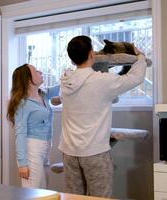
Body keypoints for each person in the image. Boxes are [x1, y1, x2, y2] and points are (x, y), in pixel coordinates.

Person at [58, 35, 147, 197]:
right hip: (94, 152)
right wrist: (140, 57)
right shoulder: (102, 81)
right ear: (92, 54)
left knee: (73, 197)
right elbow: (135, 78)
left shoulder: (65, 80)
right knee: (100, 197)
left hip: (69, 152)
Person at [7, 63, 60, 189]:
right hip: (32, 148)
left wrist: (68, 77)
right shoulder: (23, 103)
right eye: (36, 71)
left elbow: (59, 88)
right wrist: (22, 164)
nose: (40, 72)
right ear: (28, 80)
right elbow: (20, 134)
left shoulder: (42, 95)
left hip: (45, 147)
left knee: (43, 190)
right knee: (32, 190)